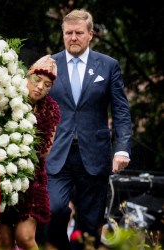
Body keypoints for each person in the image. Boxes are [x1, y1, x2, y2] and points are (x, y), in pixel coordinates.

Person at [44, 9, 132, 250]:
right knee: (54, 210)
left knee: (90, 223)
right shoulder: (49, 64)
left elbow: (121, 112)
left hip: (95, 154)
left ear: (90, 34)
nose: (73, 37)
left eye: (79, 33)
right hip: (56, 152)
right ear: (62, 34)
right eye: (68, 33)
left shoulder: (108, 66)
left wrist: (122, 149)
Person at [0, 55, 61, 250]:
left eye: (47, 85)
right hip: (2, 177)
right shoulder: (7, 98)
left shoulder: (50, 110)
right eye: (37, 80)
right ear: (27, 76)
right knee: (4, 242)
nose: (41, 87)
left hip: (32, 179)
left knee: (24, 238)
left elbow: (45, 150)